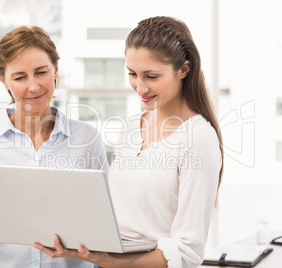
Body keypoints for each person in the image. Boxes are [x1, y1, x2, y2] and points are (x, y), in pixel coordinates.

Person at [34, 16, 224, 268]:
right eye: (132, 74)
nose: (140, 87)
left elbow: (187, 253)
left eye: (152, 76)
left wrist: (111, 262)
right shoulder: (134, 128)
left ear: (184, 70)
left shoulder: (198, 138)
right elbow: (122, 219)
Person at [0, 25, 108, 268]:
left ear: (56, 70)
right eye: (20, 77)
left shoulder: (88, 140)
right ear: (4, 81)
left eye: (40, 72)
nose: (33, 86)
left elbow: (104, 224)